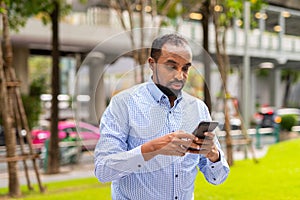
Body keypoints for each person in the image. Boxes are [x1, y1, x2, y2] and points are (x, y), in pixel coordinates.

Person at [94, 33, 229, 200]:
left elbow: (218, 177)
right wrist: (152, 148)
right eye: (171, 66)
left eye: (185, 68)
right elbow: (103, 171)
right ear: (152, 64)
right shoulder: (123, 104)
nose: (180, 76)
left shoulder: (198, 109)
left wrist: (213, 155)